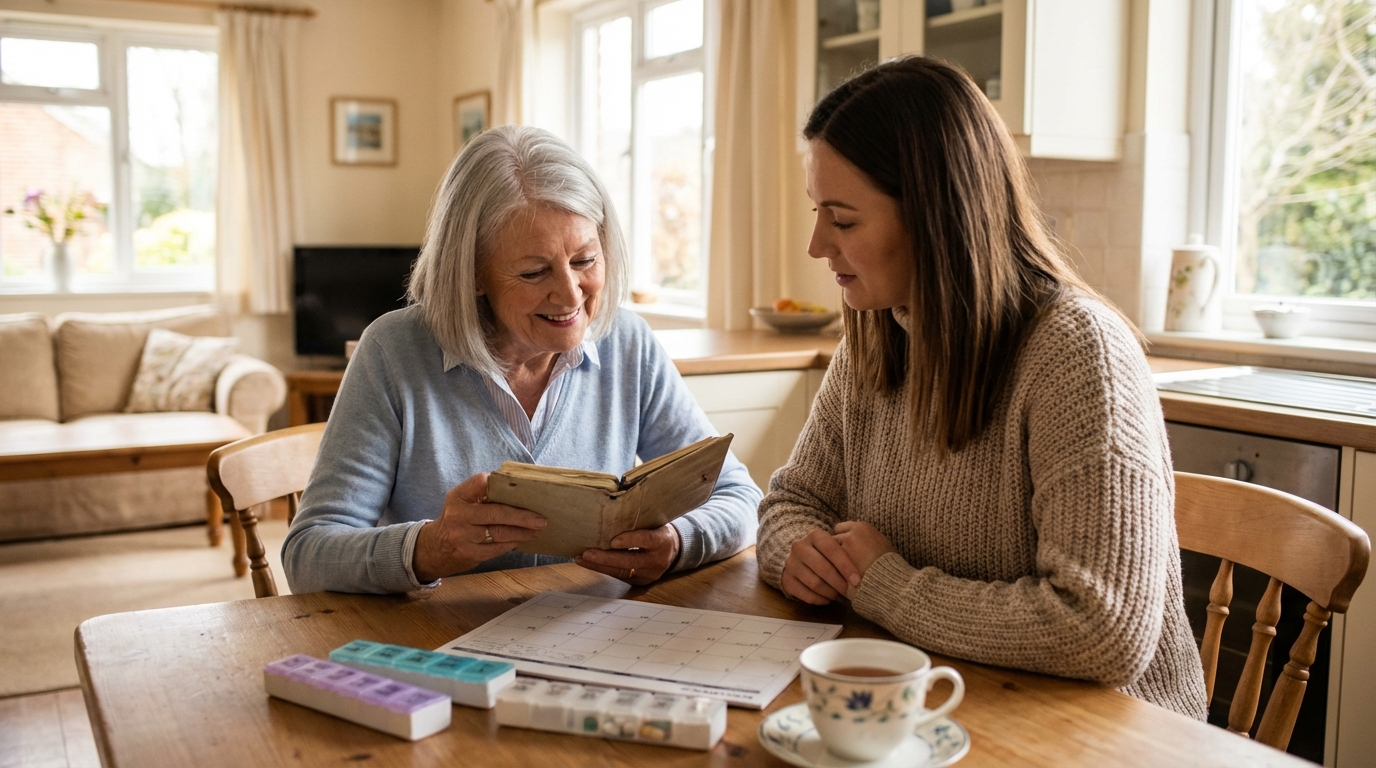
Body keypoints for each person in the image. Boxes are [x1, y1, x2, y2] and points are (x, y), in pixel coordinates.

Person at [756, 57, 1209, 719]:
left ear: (934, 216)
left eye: (843, 220)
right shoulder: (880, 333)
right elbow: (794, 499)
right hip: (956, 696)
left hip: (1109, 734)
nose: (816, 245)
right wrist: (798, 552)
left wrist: (881, 585)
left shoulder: (1078, 353)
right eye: (817, 212)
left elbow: (1100, 630)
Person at [284, 125, 759, 595]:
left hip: (594, 637)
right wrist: (428, 548)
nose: (571, 295)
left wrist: (678, 542)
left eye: (585, 260)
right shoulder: (393, 352)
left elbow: (740, 497)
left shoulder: (627, 341)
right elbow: (309, 555)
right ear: (471, 273)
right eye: (534, 271)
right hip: (441, 646)